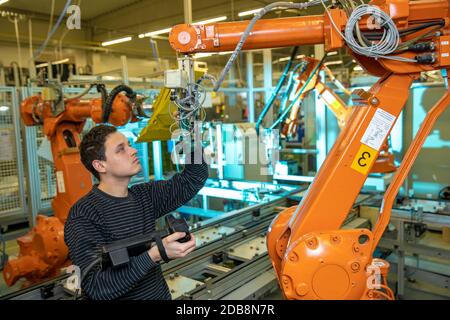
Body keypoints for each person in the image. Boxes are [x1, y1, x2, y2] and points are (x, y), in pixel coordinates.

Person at [64, 124, 208, 300]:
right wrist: (155, 254)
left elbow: (192, 180)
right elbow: (97, 287)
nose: (133, 151)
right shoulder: (84, 215)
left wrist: (190, 137)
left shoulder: (144, 196)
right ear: (100, 165)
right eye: (121, 149)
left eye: (129, 144)